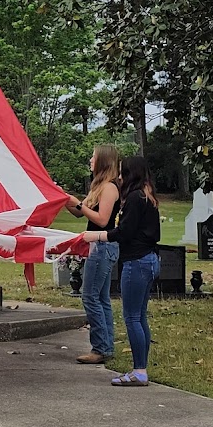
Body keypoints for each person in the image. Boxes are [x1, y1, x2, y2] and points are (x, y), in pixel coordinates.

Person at [83, 154, 160, 387]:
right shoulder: (148, 196)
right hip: (149, 259)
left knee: (132, 317)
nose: (119, 176)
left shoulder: (135, 198)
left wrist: (95, 235)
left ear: (130, 173)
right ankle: (141, 367)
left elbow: (123, 232)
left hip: (136, 262)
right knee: (140, 316)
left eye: (122, 172)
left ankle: (139, 370)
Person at [64, 145, 121, 364]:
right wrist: (66, 200)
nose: (90, 160)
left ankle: (100, 348)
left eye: (93, 157)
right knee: (101, 298)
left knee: (90, 296)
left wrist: (77, 203)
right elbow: (80, 213)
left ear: (103, 161)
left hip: (102, 246)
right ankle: (105, 347)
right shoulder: (98, 186)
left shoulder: (109, 188)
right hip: (98, 247)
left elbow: (102, 220)